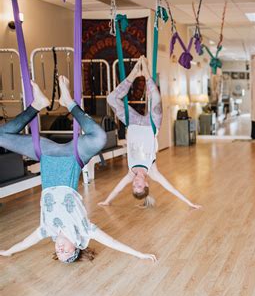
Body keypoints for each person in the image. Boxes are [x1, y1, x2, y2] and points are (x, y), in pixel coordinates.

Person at [0, 77, 156, 263]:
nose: (60, 250)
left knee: (1, 136)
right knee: (99, 137)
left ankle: (37, 104)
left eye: (59, 254)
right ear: (78, 245)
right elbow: (112, 242)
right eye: (66, 252)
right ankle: (70, 103)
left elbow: (25, 242)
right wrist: (140, 254)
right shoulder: (83, 229)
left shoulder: (46, 229)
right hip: (72, 158)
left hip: (46, 155)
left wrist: (8, 251)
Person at [98, 56, 201, 210]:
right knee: (157, 99)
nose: (135, 184)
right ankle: (145, 73)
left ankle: (133, 75)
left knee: (111, 98)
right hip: (151, 125)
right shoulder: (153, 172)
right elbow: (170, 188)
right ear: (146, 184)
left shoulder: (130, 173)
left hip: (132, 123)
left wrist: (107, 201)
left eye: (134, 187)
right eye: (139, 186)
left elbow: (118, 189)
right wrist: (189, 203)